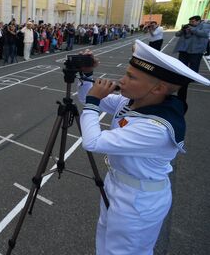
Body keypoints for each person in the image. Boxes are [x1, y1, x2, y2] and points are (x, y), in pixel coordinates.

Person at [77, 40, 210, 255]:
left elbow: (92, 142)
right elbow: (86, 97)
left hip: (139, 200)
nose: (122, 80)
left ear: (158, 88)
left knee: (124, 251)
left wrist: (93, 101)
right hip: (117, 185)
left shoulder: (156, 128)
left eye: (131, 77)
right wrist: (86, 77)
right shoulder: (134, 101)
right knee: (104, 242)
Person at [173, 15, 210, 106]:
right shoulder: (187, 26)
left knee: (194, 65)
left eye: (193, 21)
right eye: (190, 21)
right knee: (181, 64)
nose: (191, 23)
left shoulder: (205, 26)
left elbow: (204, 34)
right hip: (184, 49)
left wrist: (192, 30)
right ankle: (182, 76)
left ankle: (191, 78)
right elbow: (177, 34)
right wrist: (182, 30)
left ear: (198, 21)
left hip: (196, 50)